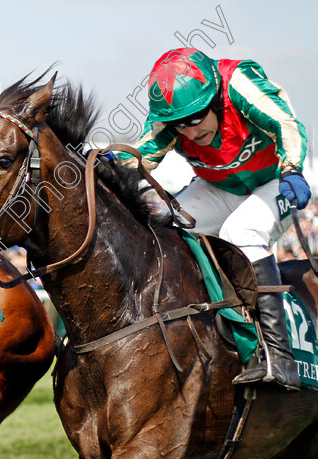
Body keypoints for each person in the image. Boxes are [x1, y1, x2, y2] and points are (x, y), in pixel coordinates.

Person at [118, 48, 308, 390]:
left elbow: (285, 123)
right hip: (220, 186)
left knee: (242, 229)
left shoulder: (237, 84)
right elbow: (139, 156)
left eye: (195, 118)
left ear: (216, 99)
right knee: (167, 222)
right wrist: (94, 164)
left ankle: (279, 357)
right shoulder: (171, 117)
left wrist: (293, 168)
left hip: (274, 180)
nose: (189, 133)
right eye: (180, 124)